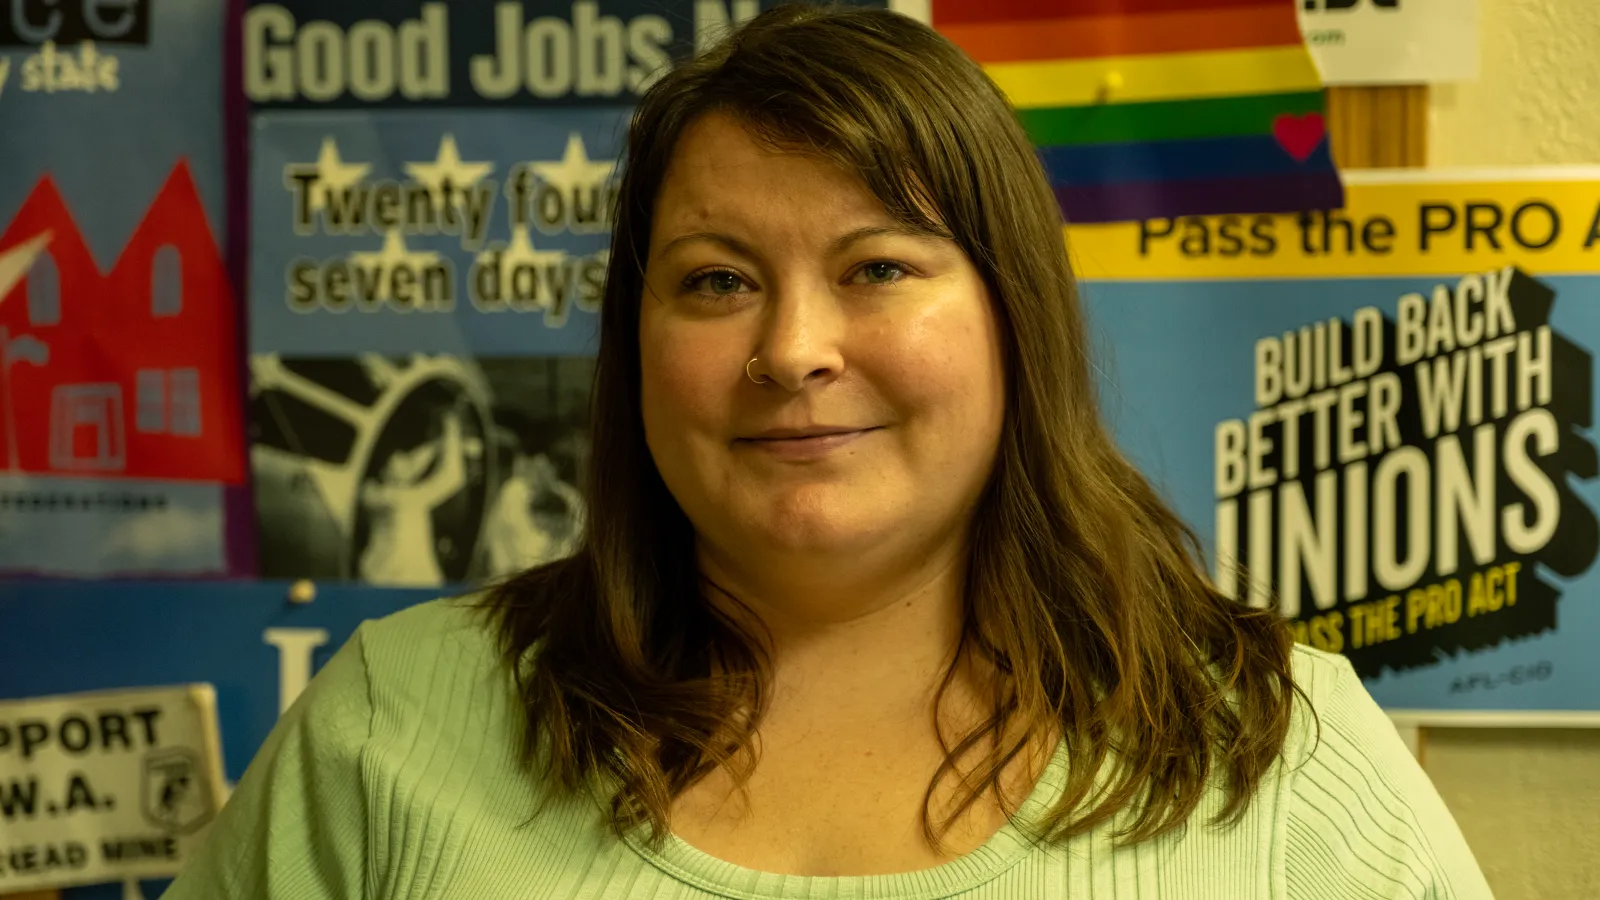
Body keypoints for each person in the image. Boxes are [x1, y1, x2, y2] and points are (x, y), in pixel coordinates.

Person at [163, 4, 1492, 898]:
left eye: (877, 266)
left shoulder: (1279, 754)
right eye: (715, 281)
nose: (794, 348)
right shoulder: (390, 726)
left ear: (1009, 315)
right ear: (637, 343)